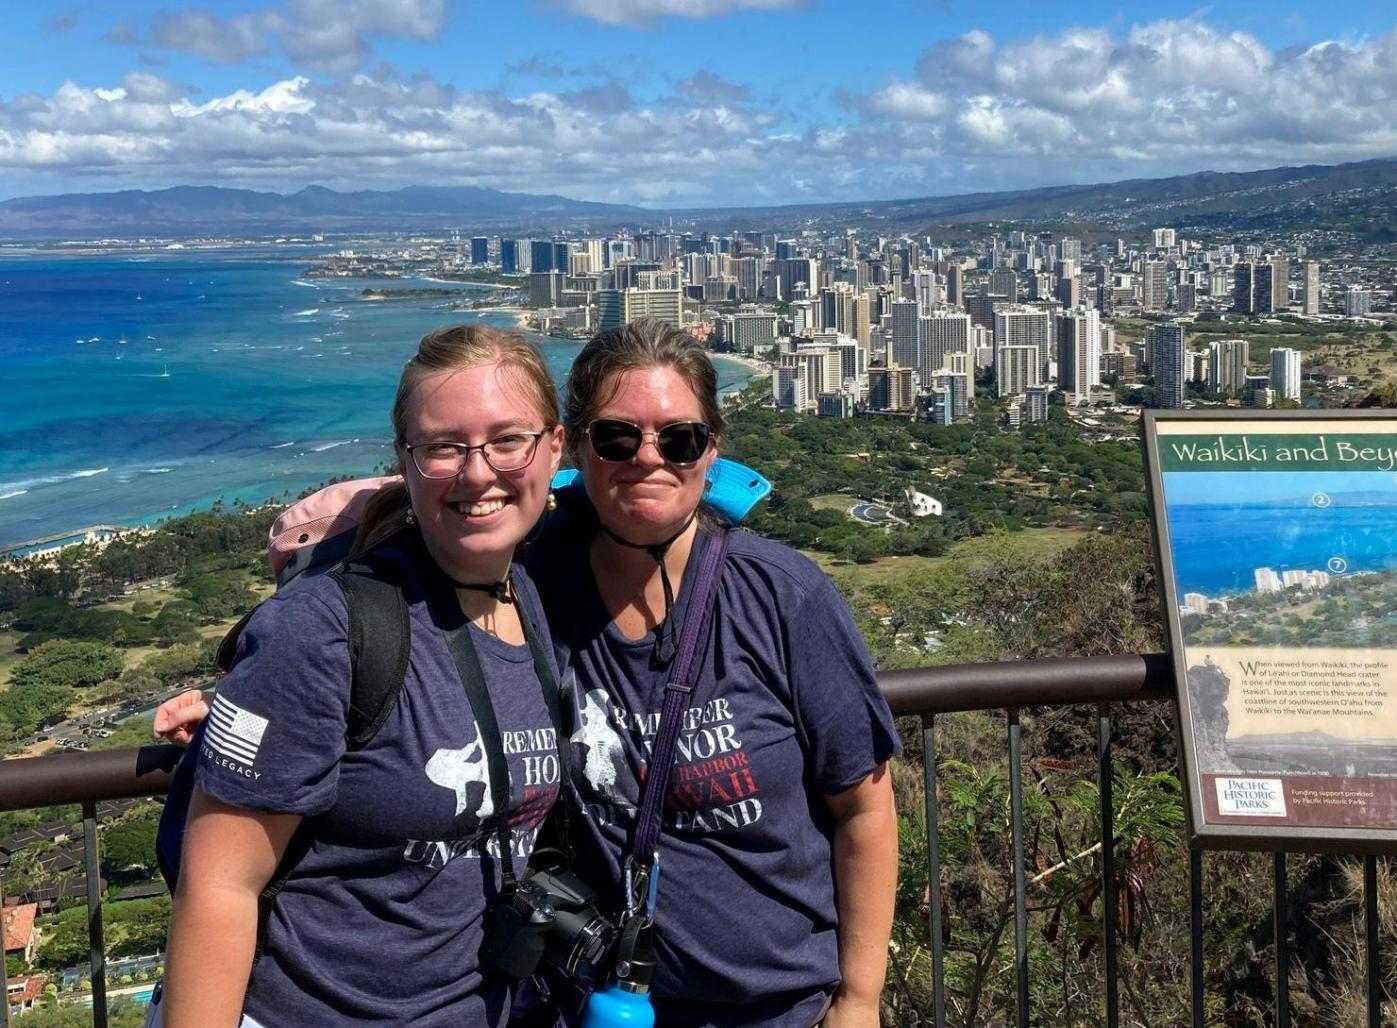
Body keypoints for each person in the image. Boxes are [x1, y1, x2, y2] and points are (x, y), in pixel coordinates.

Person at [158, 318, 901, 1027]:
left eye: (679, 438)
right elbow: (223, 882)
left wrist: (857, 999)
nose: (648, 457)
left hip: (757, 1003)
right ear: (575, 447)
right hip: (509, 1001)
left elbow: (864, 810)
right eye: (615, 437)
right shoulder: (507, 587)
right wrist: (244, 703)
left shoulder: (759, 595)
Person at [156, 324, 566, 1027]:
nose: (477, 472)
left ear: (553, 447)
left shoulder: (534, 596)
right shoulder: (324, 629)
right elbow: (218, 887)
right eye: (443, 446)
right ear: (403, 461)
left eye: (507, 440)